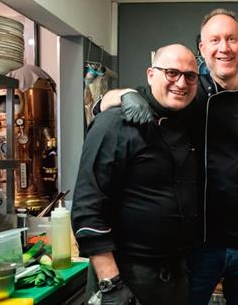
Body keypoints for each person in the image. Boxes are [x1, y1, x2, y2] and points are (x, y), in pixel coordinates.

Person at [97, 8, 238, 305]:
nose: (223, 47)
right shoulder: (186, 90)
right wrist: (123, 94)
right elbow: (108, 104)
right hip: (196, 244)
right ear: (202, 49)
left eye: (231, 39)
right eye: (214, 40)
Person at [72, 44, 201, 305]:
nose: (181, 82)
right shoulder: (114, 123)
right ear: (151, 74)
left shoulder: (186, 121)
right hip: (127, 276)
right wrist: (111, 284)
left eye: (190, 76)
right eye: (172, 73)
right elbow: (88, 207)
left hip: (176, 277)